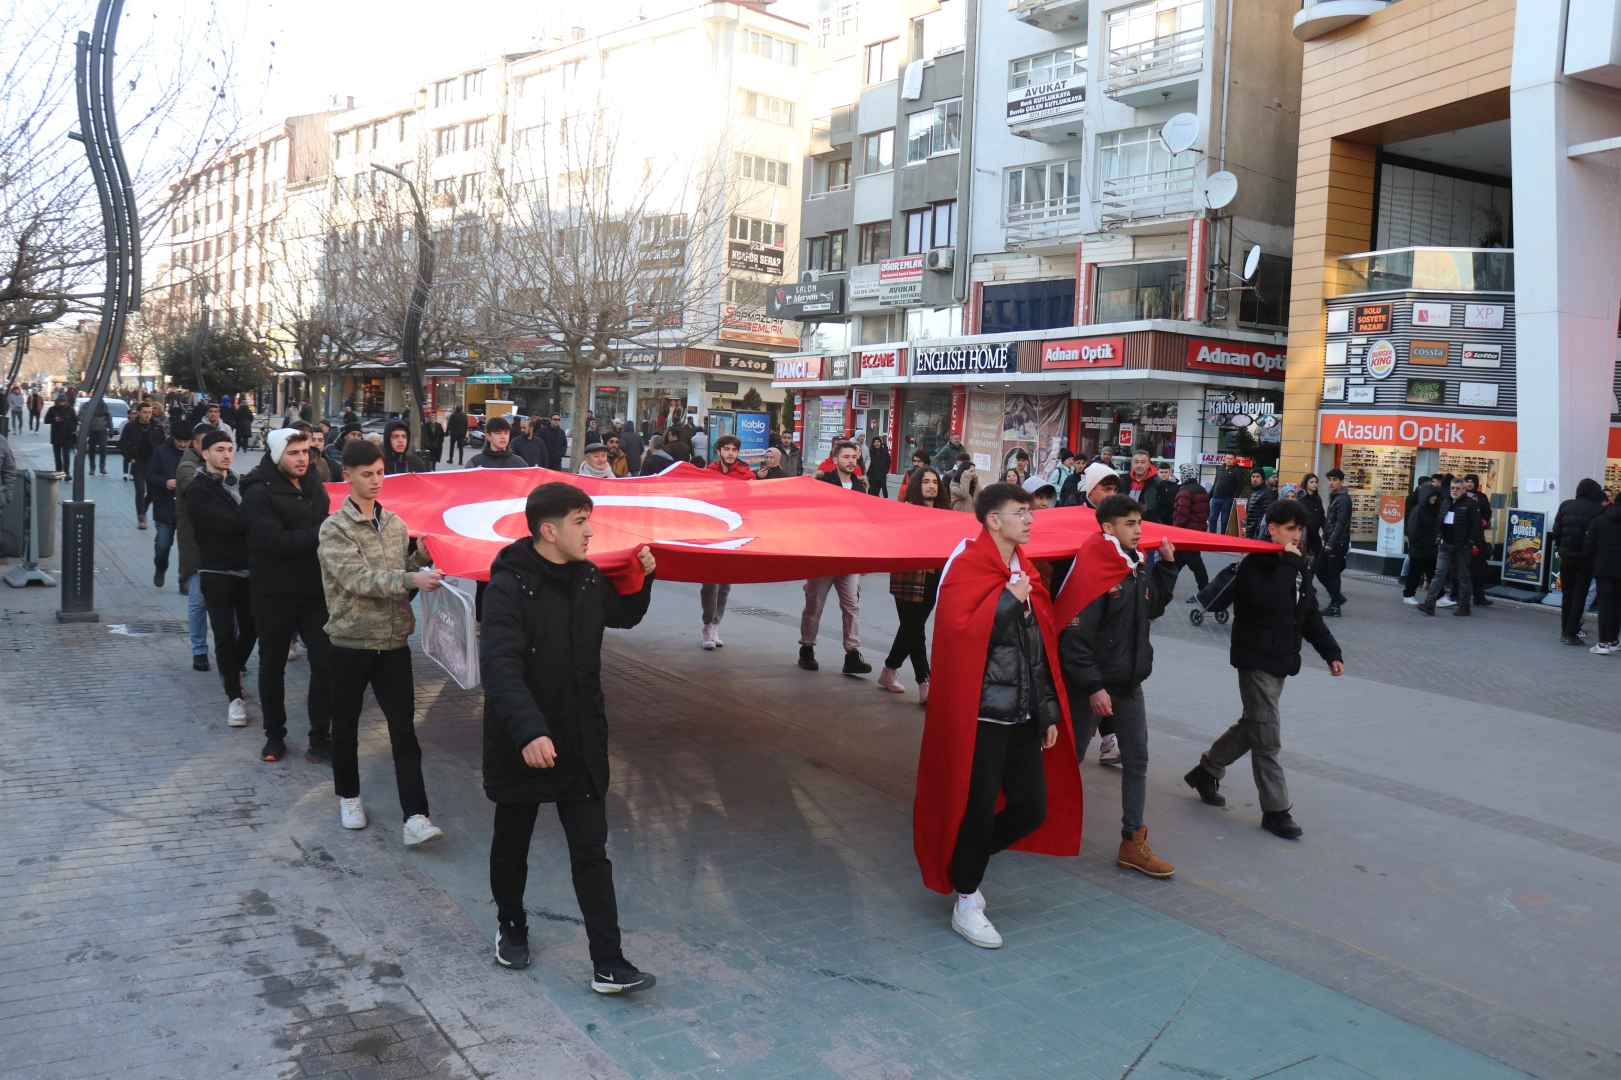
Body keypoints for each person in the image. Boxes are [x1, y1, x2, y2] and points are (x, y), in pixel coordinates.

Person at [480, 482, 658, 992]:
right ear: (548, 530)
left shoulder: (587, 579)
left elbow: (621, 616)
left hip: (579, 741)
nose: (591, 531)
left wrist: (645, 579)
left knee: (591, 852)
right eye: (581, 522)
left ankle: (609, 961)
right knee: (512, 846)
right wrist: (529, 730)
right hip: (525, 745)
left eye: (590, 520)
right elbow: (499, 668)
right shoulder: (508, 587)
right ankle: (511, 925)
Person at [912, 482, 1078, 949]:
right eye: (1019, 512)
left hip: (1022, 714)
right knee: (978, 809)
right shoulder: (966, 565)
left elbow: (1038, 650)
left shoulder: (1025, 570)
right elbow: (959, 636)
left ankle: (962, 864)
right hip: (982, 714)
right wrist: (1009, 600)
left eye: (1030, 512)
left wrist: (1045, 711)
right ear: (993, 520)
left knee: (1031, 809)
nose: (1029, 519)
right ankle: (966, 898)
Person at [1184, 499, 1344, 839]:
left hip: (1281, 660)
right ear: (1272, 529)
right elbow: (1266, 602)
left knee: (1254, 726)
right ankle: (1276, 811)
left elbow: (1308, 613)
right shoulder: (1255, 563)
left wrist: (1331, 652)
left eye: (1300, 530)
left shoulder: (1296, 564)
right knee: (1267, 738)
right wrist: (1288, 562)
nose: (1297, 537)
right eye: (1290, 530)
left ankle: (1206, 770)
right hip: (1255, 660)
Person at [317, 437, 446, 845]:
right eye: (367, 474)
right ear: (348, 476)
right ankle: (349, 796)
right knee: (346, 728)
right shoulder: (334, 528)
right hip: (350, 643)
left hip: (393, 645)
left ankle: (416, 815)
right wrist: (410, 577)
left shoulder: (395, 524)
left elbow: (397, 581)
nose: (376, 481)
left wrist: (419, 559)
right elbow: (357, 580)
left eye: (380, 473)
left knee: (404, 731)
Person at [1059, 494, 1180, 878]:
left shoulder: (1134, 567)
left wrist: (1168, 568)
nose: (1139, 529)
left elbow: (1153, 607)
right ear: (1108, 528)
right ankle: (1036, 817)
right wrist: (1094, 687)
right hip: (1090, 688)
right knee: (1068, 758)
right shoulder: (1095, 569)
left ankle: (1132, 842)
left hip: (1128, 685)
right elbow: (1074, 643)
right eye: (1130, 524)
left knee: (1138, 760)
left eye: (1139, 523)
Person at [240, 427, 334, 764]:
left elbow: (326, 521)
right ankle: (274, 736)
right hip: (274, 595)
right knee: (272, 666)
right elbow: (273, 543)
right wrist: (322, 532)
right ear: (278, 454)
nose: (302, 458)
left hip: (313, 594)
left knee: (325, 662)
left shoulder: (314, 485)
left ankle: (320, 736)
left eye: (305, 451)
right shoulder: (257, 492)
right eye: (293, 452)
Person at [185, 430, 257, 727]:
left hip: (248, 570)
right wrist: (257, 512)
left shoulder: (238, 483)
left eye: (230, 448)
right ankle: (234, 698)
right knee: (225, 636)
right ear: (205, 454)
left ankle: (234, 669)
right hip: (216, 572)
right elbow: (226, 525)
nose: (226, 454)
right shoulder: (198, 489)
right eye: (219, 449)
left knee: (253, 627)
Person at [799, 441, 871, 675]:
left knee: (852, 606)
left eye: (854, 457)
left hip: (849, 556)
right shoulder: (823, 483)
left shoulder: (861, 487)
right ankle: (807, 649)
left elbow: (865, 524)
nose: (851, 461)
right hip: (824, 554)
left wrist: (863, 558)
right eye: (846, 457)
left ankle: (852, 654)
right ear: (836, 459)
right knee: (814, 605)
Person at [879, 466, 949, 701]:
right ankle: (924, 681)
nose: (931, 486)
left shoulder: (945, 513)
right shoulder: (906, 511)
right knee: (916, 631)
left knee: (909, 629)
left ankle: (889, 670)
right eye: (926, 482)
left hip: (933, 579)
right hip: (908, 578)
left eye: (935, 482)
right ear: (917, 486)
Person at [697, 434, 755, 649]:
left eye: (734, 450)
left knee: (724, 585)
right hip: (710, 535)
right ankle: (707, 625)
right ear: (719, 451)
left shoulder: (747, 476)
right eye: (727, 449)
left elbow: (754, 504)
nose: (730, 453)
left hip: (734, 536)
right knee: (709, 583)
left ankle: (715, 625)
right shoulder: (706, 474)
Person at [1416, 476, 1483, 617]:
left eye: (1458, 488)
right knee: (1439, 574)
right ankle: (1430, 602)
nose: (1454, 490)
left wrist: (1469, 543)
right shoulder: (1446, 502)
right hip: (1445, 545)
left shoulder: (1471, 504)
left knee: (1462, 576)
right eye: (1452, 487)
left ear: (1464, 489)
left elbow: (1477, 527)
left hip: (1462, 547)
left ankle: (1465, 605)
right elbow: (1439, 521)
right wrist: (1439, 538)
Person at [1553, 478, 1607, 644]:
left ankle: (1564, 631)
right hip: (1585, 559)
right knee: (1580, 595)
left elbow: (1557, 531)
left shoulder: (1566, 505)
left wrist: (1561, 549)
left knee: (1567, 594)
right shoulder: (1599, 510)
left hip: (1566, 556)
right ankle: (1571, 633)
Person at [1583, 490, 1621, 654]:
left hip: (1603, 570)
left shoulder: (1598, 521)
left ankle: (1603, 643)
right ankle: (1614, 640)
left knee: (1604, 606)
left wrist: (1595, 564)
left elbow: (1588, 548)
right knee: (1618, 605)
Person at [119, 400, 164, 529]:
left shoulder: (157, 426)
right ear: (138, 413)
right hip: (138, 463)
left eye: (149, 412)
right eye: (144, 412)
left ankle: (143, 508)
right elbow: (122, 444)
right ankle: (141, 516)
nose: (147, 415)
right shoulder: (131, 426)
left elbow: (163, 445)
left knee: (152, 492)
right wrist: (130, 458)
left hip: (153, 464)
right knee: (140, 490)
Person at [1172, 463, 1211, 595]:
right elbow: (1207, 512)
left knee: (1195, 563)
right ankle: (1164, 589)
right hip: (1197, 531)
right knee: (1177, 562)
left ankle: (1205, 592)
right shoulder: (1201, 489)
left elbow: (1182, 514)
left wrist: (1175, 530)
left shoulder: (1184, 491)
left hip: (1186, 533)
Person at [1318, 468, 1352, 616]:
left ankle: (1335, 606)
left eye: (1334, 480)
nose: (1331, 483)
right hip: (1331, 540)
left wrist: (1330, 542)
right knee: (1318, 568)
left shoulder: (1343, 498)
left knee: (1332, 574)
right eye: (1330, 479)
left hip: (1337, 543)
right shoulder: (1336, 496)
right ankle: (1336, 596)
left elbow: (1341, 523)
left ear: (1341, 481)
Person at [1402, 483, 1443, 604]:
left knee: (1432, 573)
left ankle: (1439, 596)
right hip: (1419, 549)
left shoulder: (1434, 510)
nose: (1434, 498)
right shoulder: (1418, 510)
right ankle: (1409, 595)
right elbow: (1413, 530)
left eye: (1435, 496)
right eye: (1431, 496)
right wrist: (1421, 544)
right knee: (1415, 572)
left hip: (1430, 548)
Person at [1464, 474, 1495, 607]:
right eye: (1467, 481)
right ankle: (1457, 595)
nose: (1470, 484)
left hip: (1477, 537)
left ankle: (1479, 596)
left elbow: (1487, 512)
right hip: (1463, 535)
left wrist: (1482, 522)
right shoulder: (1461, 495)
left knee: (1478, 568)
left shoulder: (1481, 497)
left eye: (1472, 482)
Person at [1125, 450, 1174, 524]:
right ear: (1132, 464)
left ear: (1148, 465)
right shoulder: (1124, 480)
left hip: (1149, 527)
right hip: (1126, 525)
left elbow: (1168, 509)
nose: (1139, 465)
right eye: (1136, 462)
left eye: (1143, 462)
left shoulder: (1158, 483)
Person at [1207, 453, 1242, 535]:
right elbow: (1215, 483)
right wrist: (1209, 496)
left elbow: (1240, 486)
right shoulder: (1220, 468)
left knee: (1224, 521)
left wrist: (1233, 498)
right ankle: (1211, 537)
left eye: (1231, 458)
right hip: (1215, 498)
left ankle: (1223, 538)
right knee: (1212, 519)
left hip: (1227, 499)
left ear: (1234, 460)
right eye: (1227, 458)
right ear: (1224, 459)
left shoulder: (1237, 470)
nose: (1229, 460)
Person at [44, 394, 76, 473]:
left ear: (66, 402)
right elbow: (46, 420)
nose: (62, 403)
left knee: (66, 455)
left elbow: (75, 421)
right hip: (56, 436)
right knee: (57, 456)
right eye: (60, 402)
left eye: (63, 402)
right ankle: (58, 471)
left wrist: (72, 428)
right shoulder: (52, 409)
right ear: (57, 402)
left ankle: (66, 473)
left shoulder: (70, 410)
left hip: (67, 436)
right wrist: (54, 420)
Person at [1243, 468, 1276, 540]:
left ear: (1262, 479)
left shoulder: (1267, 493)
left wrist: (1257, 531)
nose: (1254, 479)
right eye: (1253, 476)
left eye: (1257, 477)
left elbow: (1267, 514)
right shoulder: (1254, 491)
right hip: (1252, 531)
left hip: (1258, 533)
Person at [85, 399, 112, 475]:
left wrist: (111, 429)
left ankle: (102, 466)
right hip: (92, 430)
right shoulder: (89, 405)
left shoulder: (104, 406)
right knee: (91, 449)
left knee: (103, 447)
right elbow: (82, 416)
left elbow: (109, 418)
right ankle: (92, 467)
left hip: (102, 430)